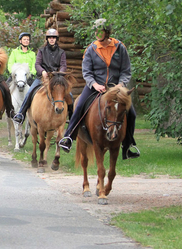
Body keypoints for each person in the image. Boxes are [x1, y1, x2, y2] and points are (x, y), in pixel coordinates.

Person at [57, 19, 139, 159]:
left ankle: (128, 144)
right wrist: (94, 84)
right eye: (95, 31)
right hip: (96, 87)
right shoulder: (91, 49)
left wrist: (121, 84)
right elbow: (87, 71)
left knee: (131, 112)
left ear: (107, 32)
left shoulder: (120, 47)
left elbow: (126, 71)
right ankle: (69, 137)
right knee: (80, 105)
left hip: (116, 88)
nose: (97, 33)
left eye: (99, 31)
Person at [12, 28, 69, 124]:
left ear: (56, 39)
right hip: (42, 78)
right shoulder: (41, 50)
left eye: (54, 37)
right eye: (50, 37)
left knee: (69, 95)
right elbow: (37, 64)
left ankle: (71, 117)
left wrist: (59, 73)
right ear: (47, 39)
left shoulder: (61, 52)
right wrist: (42, 71)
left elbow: (63, 65)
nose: (52, 39)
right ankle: (21, 114)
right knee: (30, 92)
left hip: (56, 79)